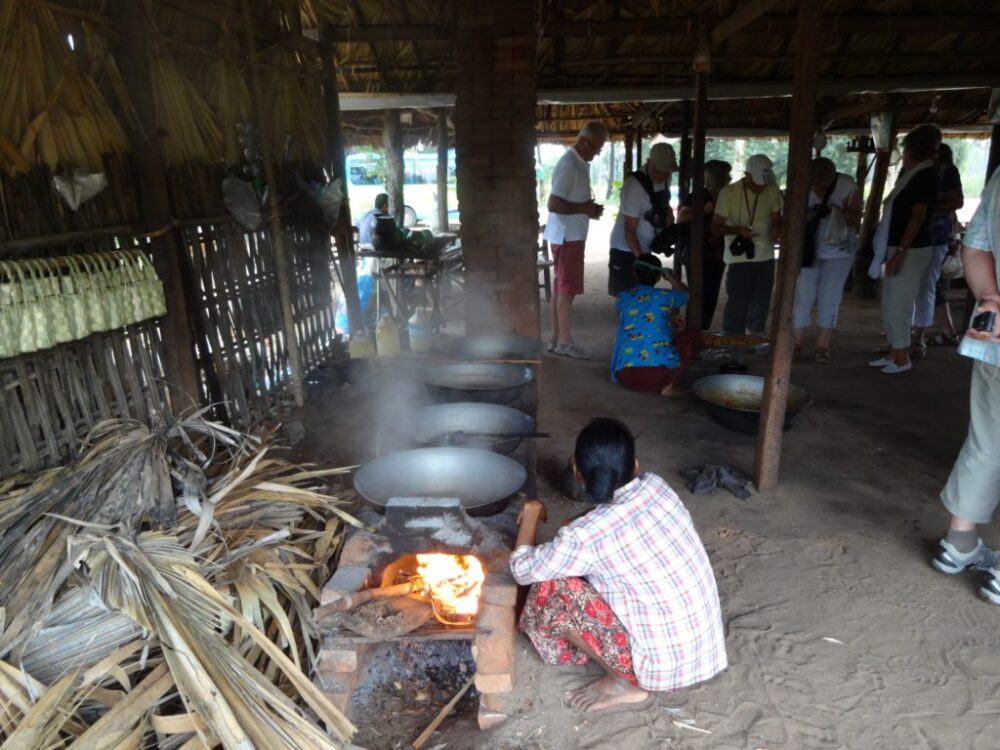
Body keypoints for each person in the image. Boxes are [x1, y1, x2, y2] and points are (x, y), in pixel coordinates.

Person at [510, 418, 727, 711]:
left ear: (575, 469)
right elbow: (613, 521)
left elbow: (522, 570)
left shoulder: (584, 536)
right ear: (635, 466)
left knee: (551, 588)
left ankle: (624, 681)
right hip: (702, 652)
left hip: (660, 670)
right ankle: (628, 673)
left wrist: (531, 513)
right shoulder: (657, 487)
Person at [929, 169, 1000, 604]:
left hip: (996, 337)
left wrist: (991, 298)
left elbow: (975, 244)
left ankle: (959, 543)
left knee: (988, 440)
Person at [868, 124, 942, 374]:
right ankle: (894, 352)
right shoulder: (912, 175)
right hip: (899, 245)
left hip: (911, 248)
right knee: (890, 299)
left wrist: (901, 251)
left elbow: (918, 217)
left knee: (900, 301)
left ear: (911, 151)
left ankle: (902, 357)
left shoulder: (925, 176)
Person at [544, 121, 609, 359]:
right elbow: (554, 204)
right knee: (566, 290)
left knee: (562, 288)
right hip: (567, 236)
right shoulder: (569, 165)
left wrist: (588, 209)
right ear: (583, 140)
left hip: (568, 235)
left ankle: (555, 339)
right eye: (595, 147)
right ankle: (564, 341)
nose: (597, 152)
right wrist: (585, 208)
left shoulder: (578, 163)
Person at [792, 158, 862, 363]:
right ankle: (797, 343)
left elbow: (856, 219)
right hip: (809, 248)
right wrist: (809, 214)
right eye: (817, 185)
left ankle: (822, 346)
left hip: (840, 250)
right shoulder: (802, 184)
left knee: (830, 297)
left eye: (823, 185)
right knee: (803, 295)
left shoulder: (847, 185)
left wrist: (836, 211)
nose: (819, 189)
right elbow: (793, 215)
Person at [611, 254, 702, 396]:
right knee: (692, 336)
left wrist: (668, 316)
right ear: (659, 277)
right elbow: (686, 294)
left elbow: (635, 319)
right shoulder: (665, 296)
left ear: (635, 273)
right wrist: (671, 278)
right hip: (655, 377)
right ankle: (669, 387)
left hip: (623, 376)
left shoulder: (622, 297)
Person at [713, 155, 783, 336]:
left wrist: (776, 229)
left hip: (766, 254)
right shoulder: (729, 192)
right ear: (747, 175)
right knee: (738, 299)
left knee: (762, 298)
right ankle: (733, 338)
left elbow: (777, 219)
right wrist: (738, 230)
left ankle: (754, 338)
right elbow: (715, 227)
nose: (761, 187)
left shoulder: (772, 189)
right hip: (738, 257)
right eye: (757, 183)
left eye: (764, 183)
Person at [912, 143, 964, 356]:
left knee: (928, 286)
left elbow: (957, 202)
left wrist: (928, 209)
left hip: (935, 236)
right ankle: (914, 332)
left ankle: (919, 336)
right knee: (922, 285)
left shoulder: (947, 172)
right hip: (917, 235)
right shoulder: (915, 171)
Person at [607, 143, 678, 296]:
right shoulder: (635, 186)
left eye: (668, 171)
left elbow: (664, 204)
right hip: (625, 249)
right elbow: (629, 231)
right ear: (649, 161)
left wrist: (668, 215)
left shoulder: (667, 177)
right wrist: (644, 263)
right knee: (626, 299)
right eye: (661, 170)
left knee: (643, 298)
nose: (665, 175)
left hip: (645, 248)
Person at [677, 160, 732, 330]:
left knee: (711, 293)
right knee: (698, 293)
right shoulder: (699, 196)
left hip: (717, 251)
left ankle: (703, 329)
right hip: (697, 250)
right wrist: (704, 210)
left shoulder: (728, 195)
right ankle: (694, 330)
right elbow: (682, 218)